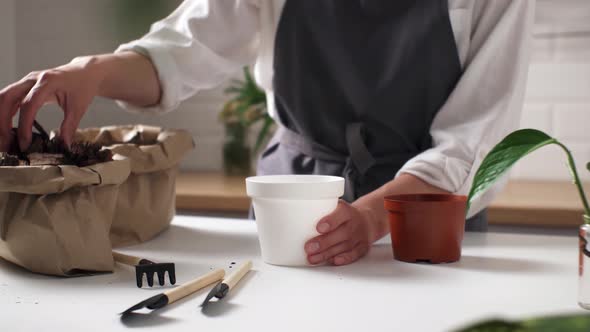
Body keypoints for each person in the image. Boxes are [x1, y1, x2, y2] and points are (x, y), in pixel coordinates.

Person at [0, 0, 534, 266]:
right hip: (293, 205)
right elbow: (182, 52)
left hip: (422, 220)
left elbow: (477, 143)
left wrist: (372, 216)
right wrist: (90, 70)